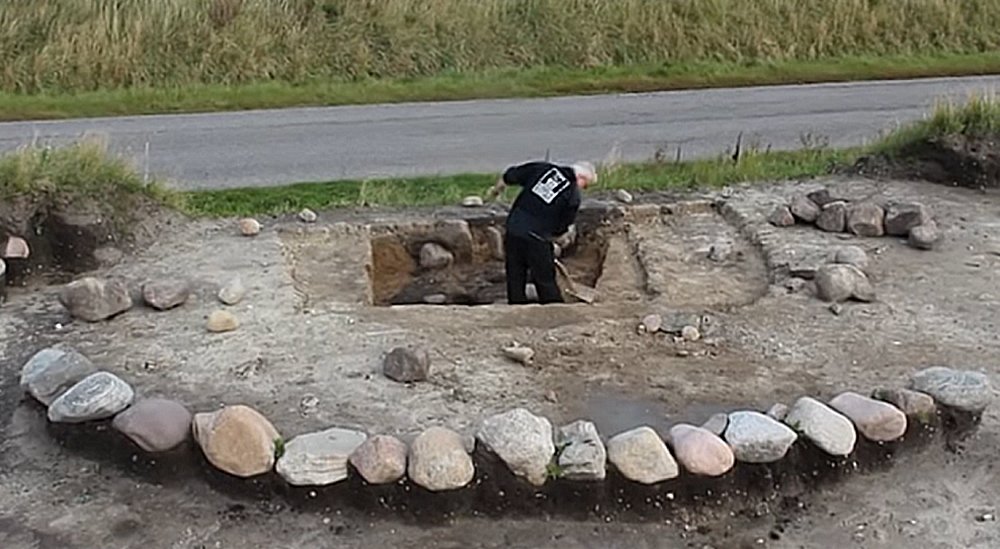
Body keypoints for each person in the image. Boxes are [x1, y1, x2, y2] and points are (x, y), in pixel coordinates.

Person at [488, 160, 597, 304]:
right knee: (545, 279)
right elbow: (561, 227)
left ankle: (516, 306)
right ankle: (552, 311)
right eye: (586, 185)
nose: (584, 189)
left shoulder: (543, 168)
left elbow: (510, 175)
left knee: (515, 274)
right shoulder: (572, 195)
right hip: (537, 238)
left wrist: (496, 191)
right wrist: (558, 239)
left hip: (514, 229)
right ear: (581, 178)